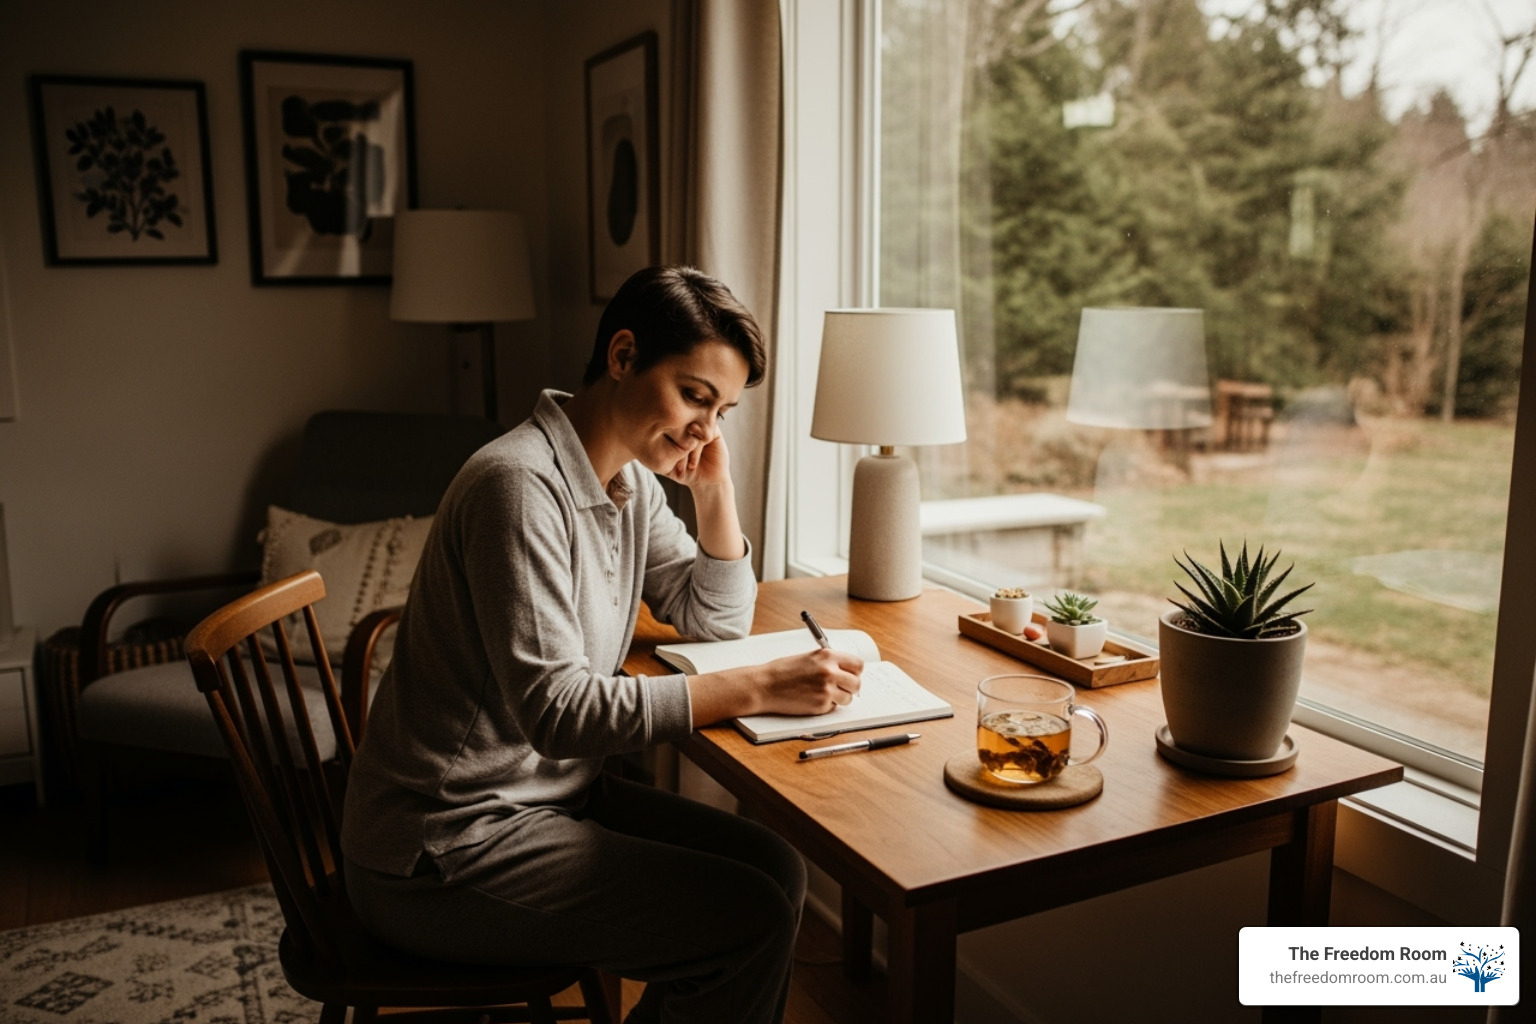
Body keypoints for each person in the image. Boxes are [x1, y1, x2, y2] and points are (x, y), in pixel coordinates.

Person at [341, 265, 864, 1024]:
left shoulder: (629, 482)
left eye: (722, 411)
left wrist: (713, 489)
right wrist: (761, 685)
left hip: (544, 799)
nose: (705, 427)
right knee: (746, 919)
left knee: (776, 870)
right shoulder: (517, 487)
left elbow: (712, 617)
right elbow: (558, 714)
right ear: (622, 357)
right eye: (694, 395)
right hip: (440, 847)